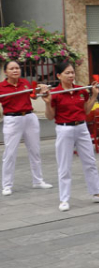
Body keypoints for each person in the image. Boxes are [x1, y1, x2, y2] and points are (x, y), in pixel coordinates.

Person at [41, 62, 99, 211]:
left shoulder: (81, 91)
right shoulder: (55, 93)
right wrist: (48, 103)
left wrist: (94, 96)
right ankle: (64, 199)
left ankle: (97, 193)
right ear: (59, 76)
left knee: (90, 161)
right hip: (64, 129)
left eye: (72, 73)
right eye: (67, 73)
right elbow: (50, 116)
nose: (71, 75)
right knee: (64, 165)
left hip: (81, 127)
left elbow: (86, 111)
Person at [1, 60, 52, 195]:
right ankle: (7, 185)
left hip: (29, 117)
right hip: (12, 119)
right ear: (6, 72)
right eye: (11, 69)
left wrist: (40, 88)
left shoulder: (25, 83)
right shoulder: (1, 87)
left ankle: (38, 181)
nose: (15, 70)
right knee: (10, 153)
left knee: (35, 151)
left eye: (17, 68)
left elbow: (33, 97)